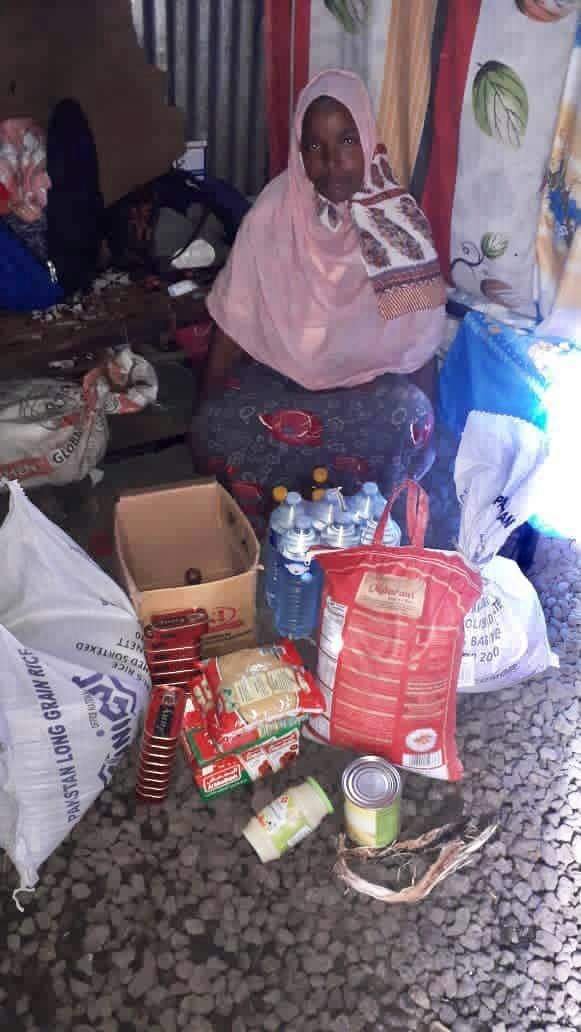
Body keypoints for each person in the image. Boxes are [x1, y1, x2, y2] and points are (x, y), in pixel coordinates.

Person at [192, 69, 446, 534]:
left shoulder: (397, 223)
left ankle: (356, 521)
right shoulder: (275, 211)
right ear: (299, 151)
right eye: (314, 146)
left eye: (347, 140)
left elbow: (420, 343)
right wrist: (203, 415)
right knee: (222, 427)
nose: (332, 162)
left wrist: (433, 439)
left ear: (367, 138)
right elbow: (233, 319)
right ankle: (286, 529)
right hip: (283, 383)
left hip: (369, 391)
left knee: (413, 418)